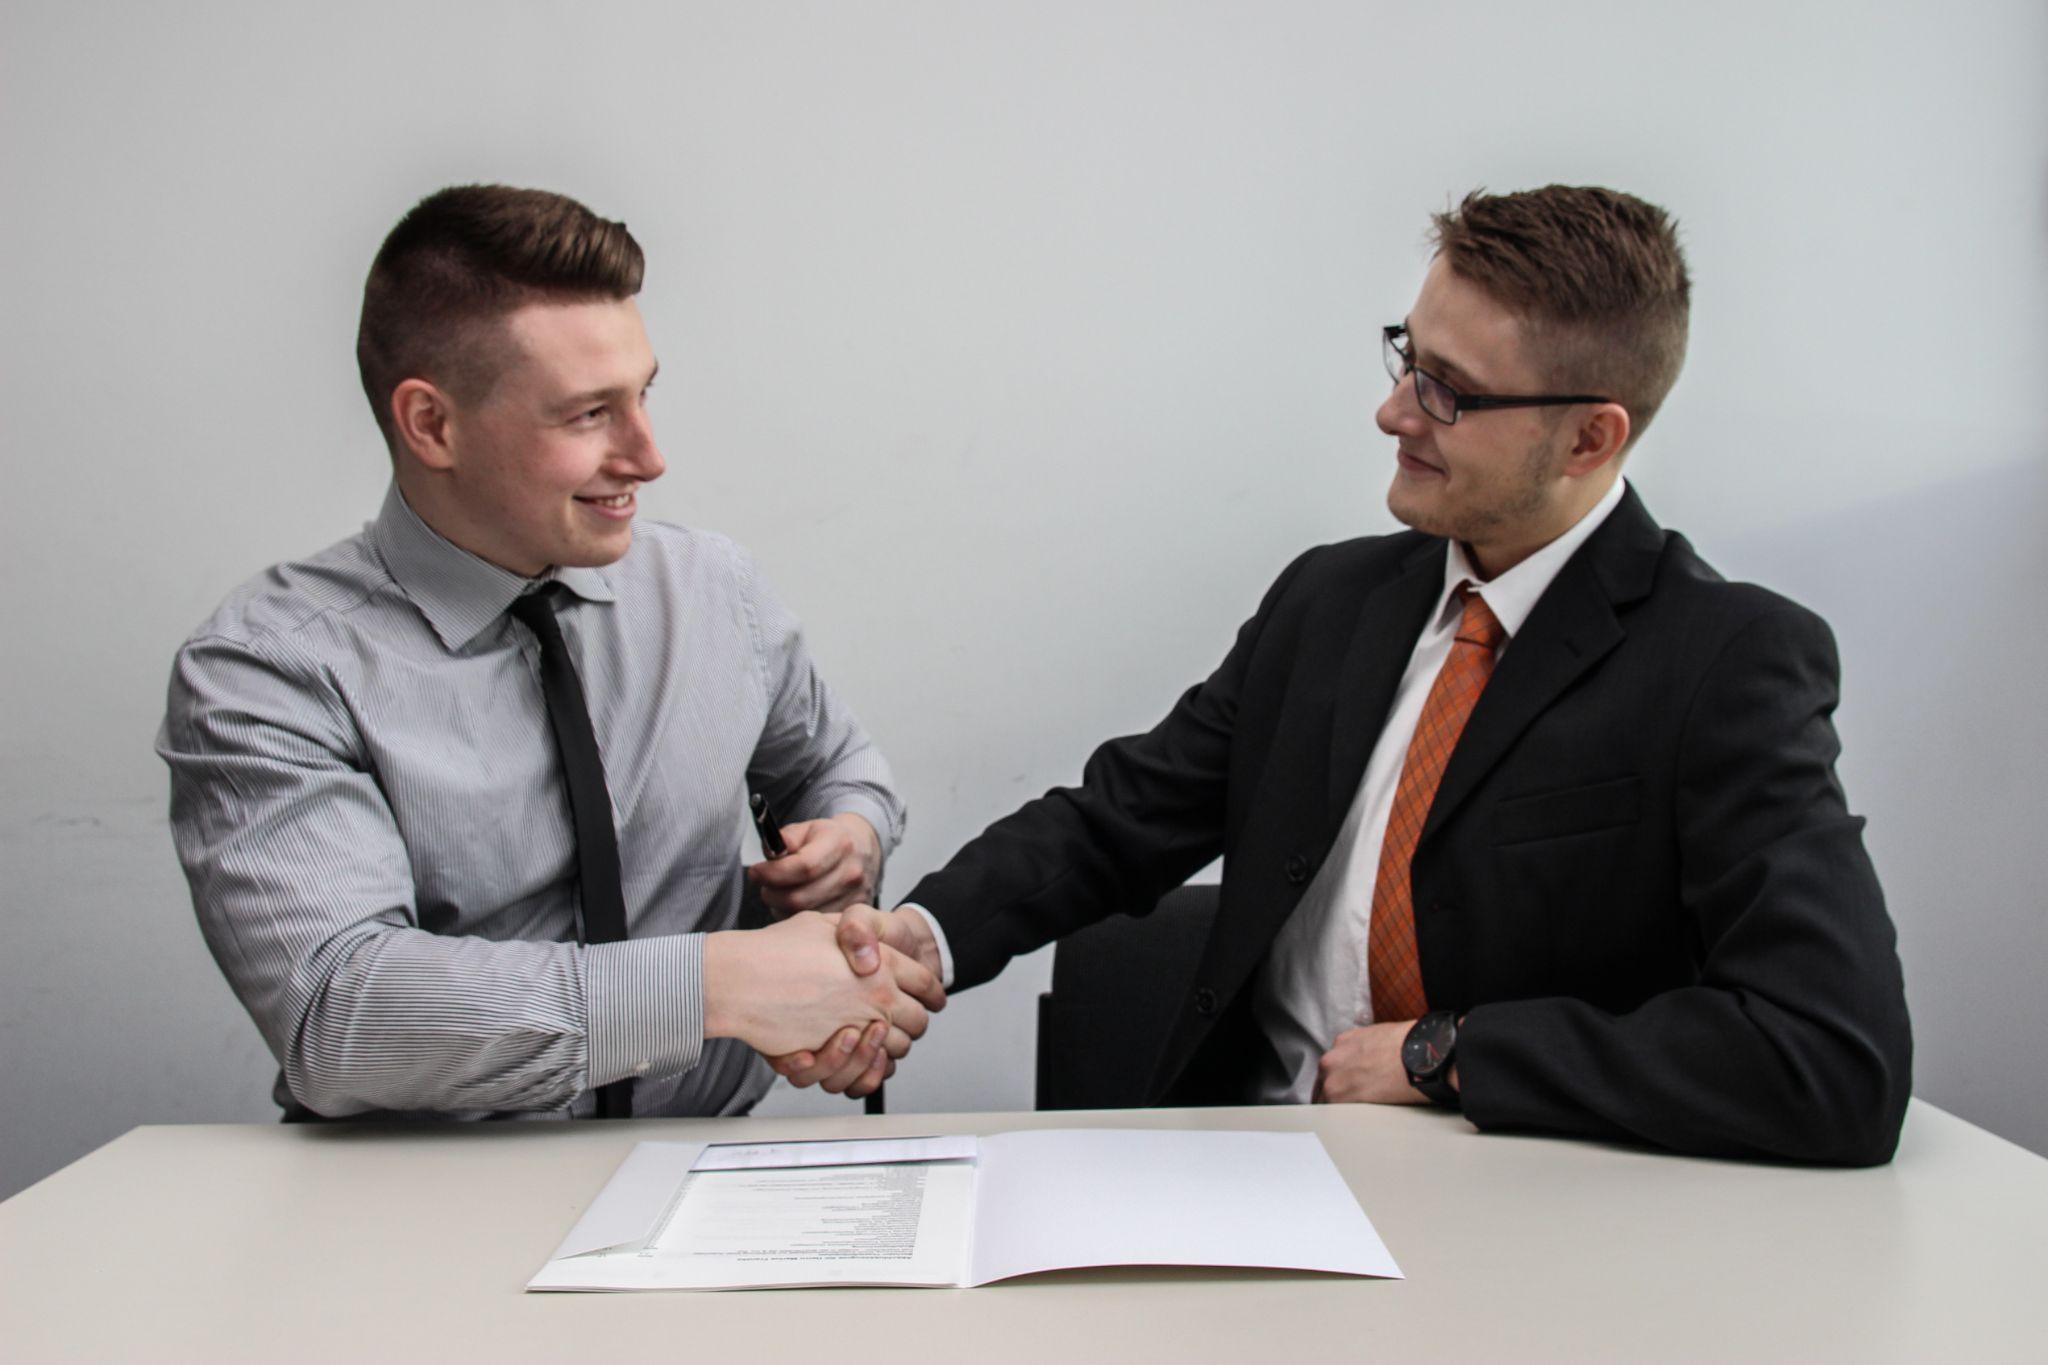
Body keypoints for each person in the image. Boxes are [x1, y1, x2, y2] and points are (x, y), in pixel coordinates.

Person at [797, 185, 1913, 1165]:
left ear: (1587, 438)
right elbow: (1118, 820)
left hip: (1521, 1223)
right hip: (1243, 1174)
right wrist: (920, 939)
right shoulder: (1331, 604)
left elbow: (1830, 1059)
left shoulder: (1723, 663)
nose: (1393, 413)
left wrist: (1448, 1056)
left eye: (1447, 392)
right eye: (1405, 359)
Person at [159, 184, 938, 1121]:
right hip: (416, 1210)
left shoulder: (714, 590)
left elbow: (837, 768)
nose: (648, 457)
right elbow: (342, 1015)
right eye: (587, 414)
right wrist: (713, 983)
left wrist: (847, 838)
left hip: (707, 1171)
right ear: (432, 425)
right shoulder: (267, 671)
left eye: (643, 395)